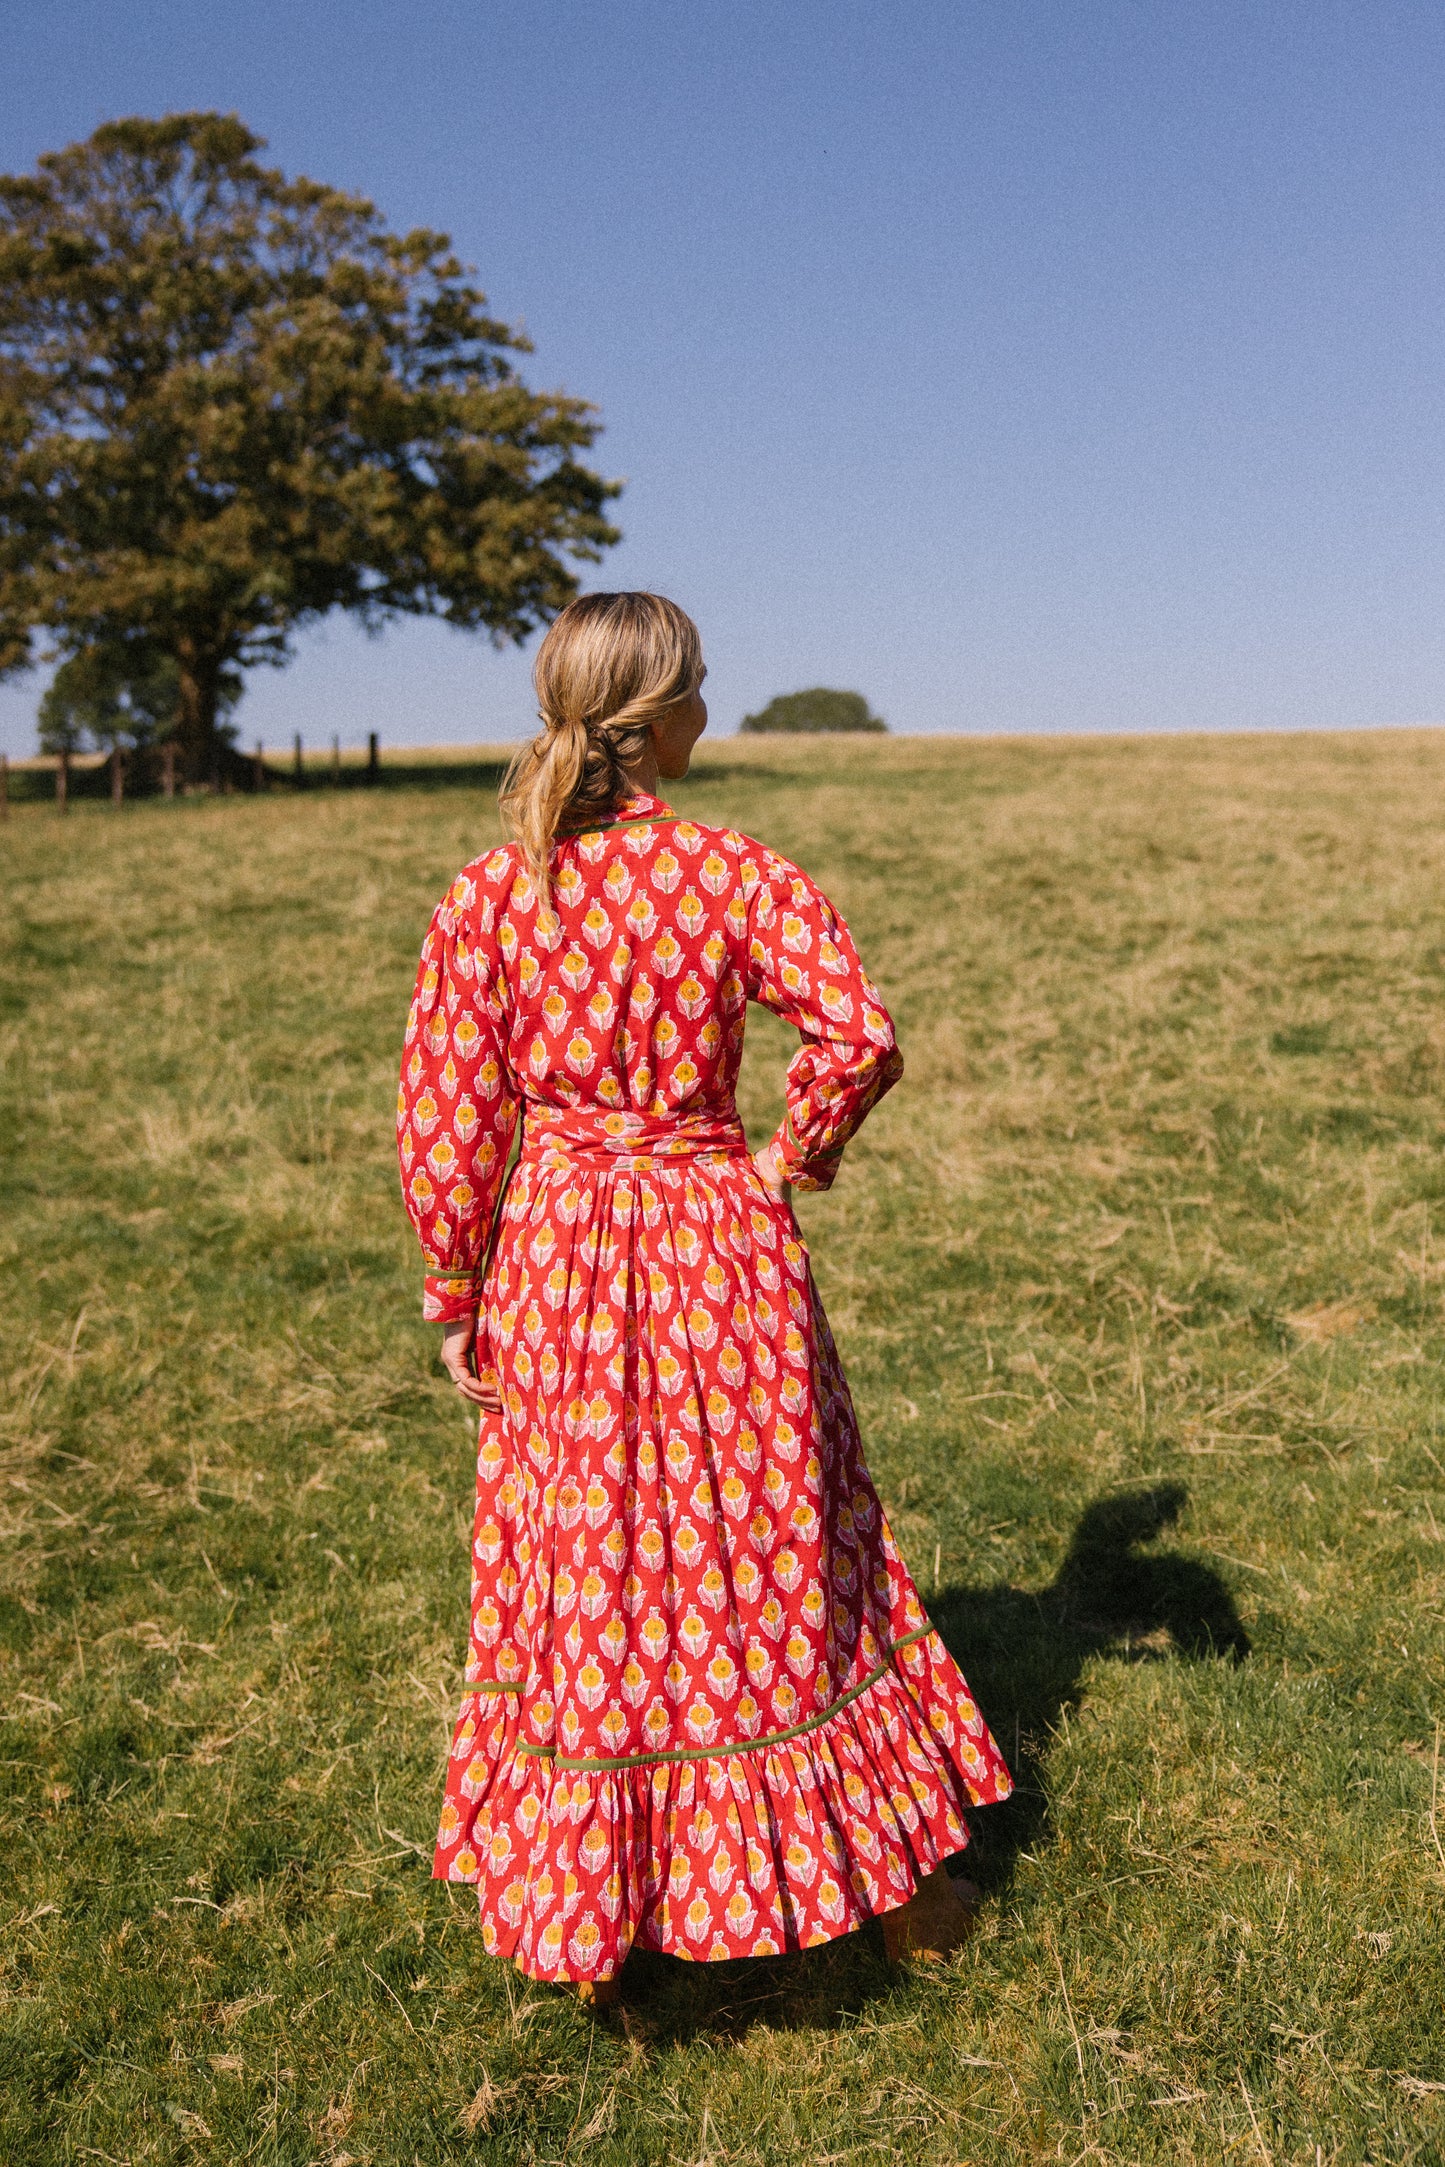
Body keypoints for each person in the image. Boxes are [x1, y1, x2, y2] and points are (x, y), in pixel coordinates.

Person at [397, 592, 1010, 2002]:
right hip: (714, 1231)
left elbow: (447, 1117)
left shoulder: (493, 896)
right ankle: (886, 1892)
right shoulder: (735, 873)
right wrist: (788, 1156)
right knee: (779, 1546)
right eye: (702, 686)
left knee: (587, 1567)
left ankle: (595, 1914)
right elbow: (856, 1034)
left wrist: (454, 1287)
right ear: (668, 715)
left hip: (549, 1253)